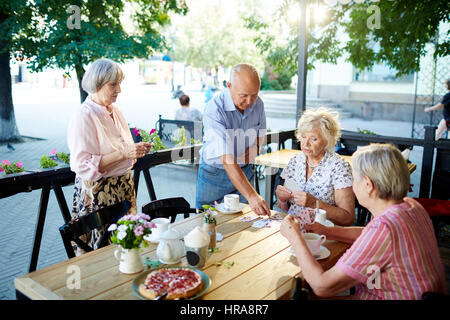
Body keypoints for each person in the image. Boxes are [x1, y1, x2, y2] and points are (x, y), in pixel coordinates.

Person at [280, 143, 446, 299]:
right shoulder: (411, 207)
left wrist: (295, 238)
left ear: (367, 184)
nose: (352, 185)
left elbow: (322, 286)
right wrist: (326, 230)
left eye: (355, 179)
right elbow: (370, 235)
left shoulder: (385, 228)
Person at [67, 58, 152, 255]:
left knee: (127, 249)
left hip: (123, 187)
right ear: (97, 83)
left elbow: (123, 149)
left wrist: (134, 151)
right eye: (113, 84)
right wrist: (123, 153)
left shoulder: (116, 111)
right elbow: (81, 165)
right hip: (99, 193)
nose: (119, 90)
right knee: (101, 255)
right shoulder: (83, 116)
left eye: (119, 84)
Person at [196, 63, 271, 216]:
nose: (250, 101)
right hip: (214, 174)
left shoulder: (259, 104)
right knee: (208, 222)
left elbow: (260, 134)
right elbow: (227, 159)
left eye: (254, 94)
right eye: (244, 95)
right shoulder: (215, 109)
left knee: (248, 222)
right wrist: (251, 195)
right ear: (229, 86)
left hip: (244, 172)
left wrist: (255, 148)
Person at [275, 108, 355, 229]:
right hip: (293, 229)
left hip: (323, 234)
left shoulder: (339, 167)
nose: (306, 144)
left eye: (313, 139)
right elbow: (286, 209)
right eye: (303, 137)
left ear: (327, 141)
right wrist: (282, 200)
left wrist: (315, 204)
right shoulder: (295, 161)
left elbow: (347, 218)